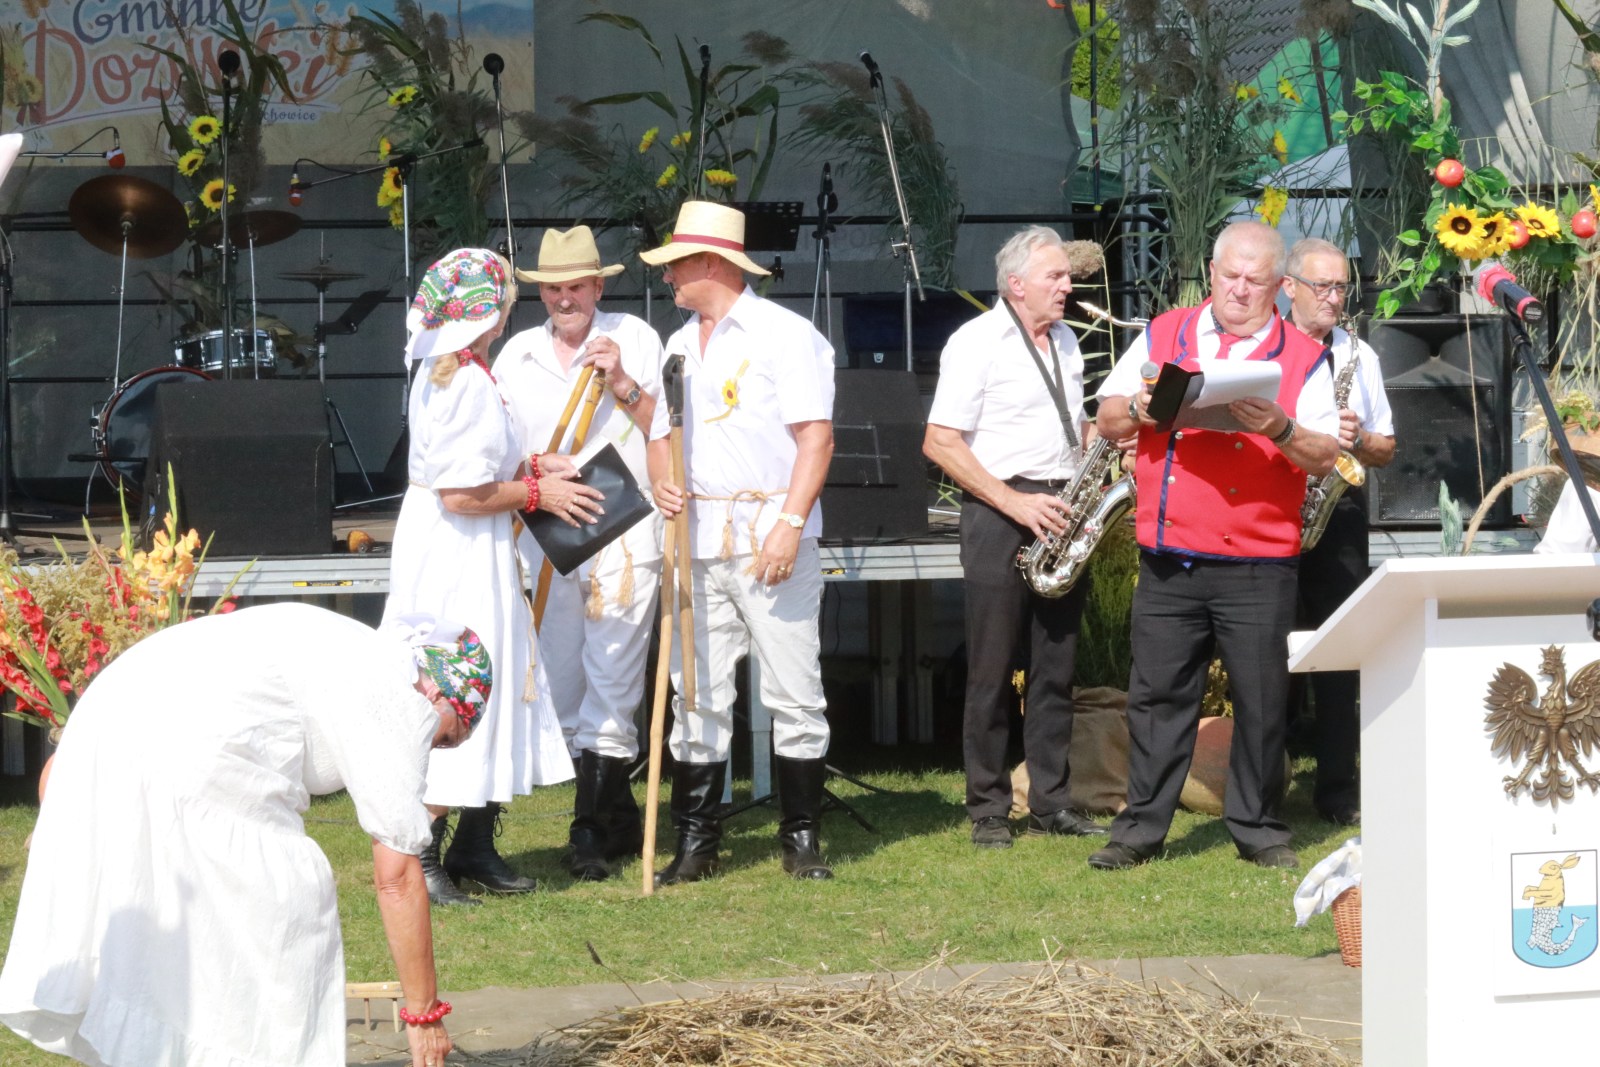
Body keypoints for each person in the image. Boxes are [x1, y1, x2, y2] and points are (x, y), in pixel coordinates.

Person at [0, 602, 487, 1067]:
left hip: (106, 715)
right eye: (447, 736)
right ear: (440, 694)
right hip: (187, 749)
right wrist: (424, 1017)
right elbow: (397, 876)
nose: (435, 748)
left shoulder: (346, 646)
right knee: (292, 902)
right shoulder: (397, 691)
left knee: (171, 939)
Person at [1088, 220, 1340, 872]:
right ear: (1212, 272)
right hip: (1173, 552)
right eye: (1229, 276)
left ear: (1280, 287)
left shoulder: (1305, 356)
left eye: (1255, 281)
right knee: (1157, 696)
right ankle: (1140, 827)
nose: (1239, 290)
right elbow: (1108, 415)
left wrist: (1280, 425)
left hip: (1259, 559)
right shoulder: (1166, 331)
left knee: (1260, 699)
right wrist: (1144, 409)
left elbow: (1324, 453)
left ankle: (1257, 826)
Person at [383, 248, 602, 905]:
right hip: (456, 550)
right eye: (504, 299)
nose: (510, 311)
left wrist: (534, 465)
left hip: (453, 544)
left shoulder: (451, 369)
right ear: (488, 312)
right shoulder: (467, 380)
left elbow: (473, 465)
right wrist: (538, 496)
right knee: (459, 682)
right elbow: (461, 493)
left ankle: (474, 841)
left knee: (491, 682)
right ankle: (420, 846)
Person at [641, 200, 837, 884]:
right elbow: (661, 437)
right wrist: (661, 482)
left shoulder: (786, 335)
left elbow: (816, 436)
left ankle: (802, 837)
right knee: (695, 691)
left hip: (765, 535)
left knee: (792, 687)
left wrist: (788, 524)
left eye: (676, 267)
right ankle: (697, 843)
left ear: (711, 264)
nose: (668, 280)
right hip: (696, 539)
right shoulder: (675, 346)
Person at [923, 226, 1107, 849]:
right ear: (1016, 283)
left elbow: (1070, 424)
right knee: (993, 667)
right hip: (1000, 509)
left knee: (1056, 667)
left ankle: (1051, 801)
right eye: (1055, 277)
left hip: (1060, 505)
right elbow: (940, 441)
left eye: (1067, 276)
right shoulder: (974, 342)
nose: (1067, 286)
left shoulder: (1065, 343)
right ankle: (988, 807)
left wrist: (1101, 450)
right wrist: (1012, 502)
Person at [495, 226, 665, 882]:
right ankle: (611, 810)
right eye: (554, 288)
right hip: (547, 525)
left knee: (615, 671)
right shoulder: (517, 354)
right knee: (560, 680)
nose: (565, 299)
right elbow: (497, 445)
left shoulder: (636, 338)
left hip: (623, 524)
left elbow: (663, 425)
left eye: (577, 286)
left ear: (600, 286)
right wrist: (535, 465)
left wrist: (619, 377)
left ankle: (589, 827)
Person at [1282, 238, 1396, 826]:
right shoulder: (1264, 348)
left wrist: (1360, 438)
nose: (1333, 299)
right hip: (1273, 504)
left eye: (1341, 288)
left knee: (1340, 653)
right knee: (1266, 652)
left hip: (1338, 511)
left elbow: (1387, 447)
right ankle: (1263, 788)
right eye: (1321, 287)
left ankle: (1337, 790)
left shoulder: (1359, 356)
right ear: (1288, 287)